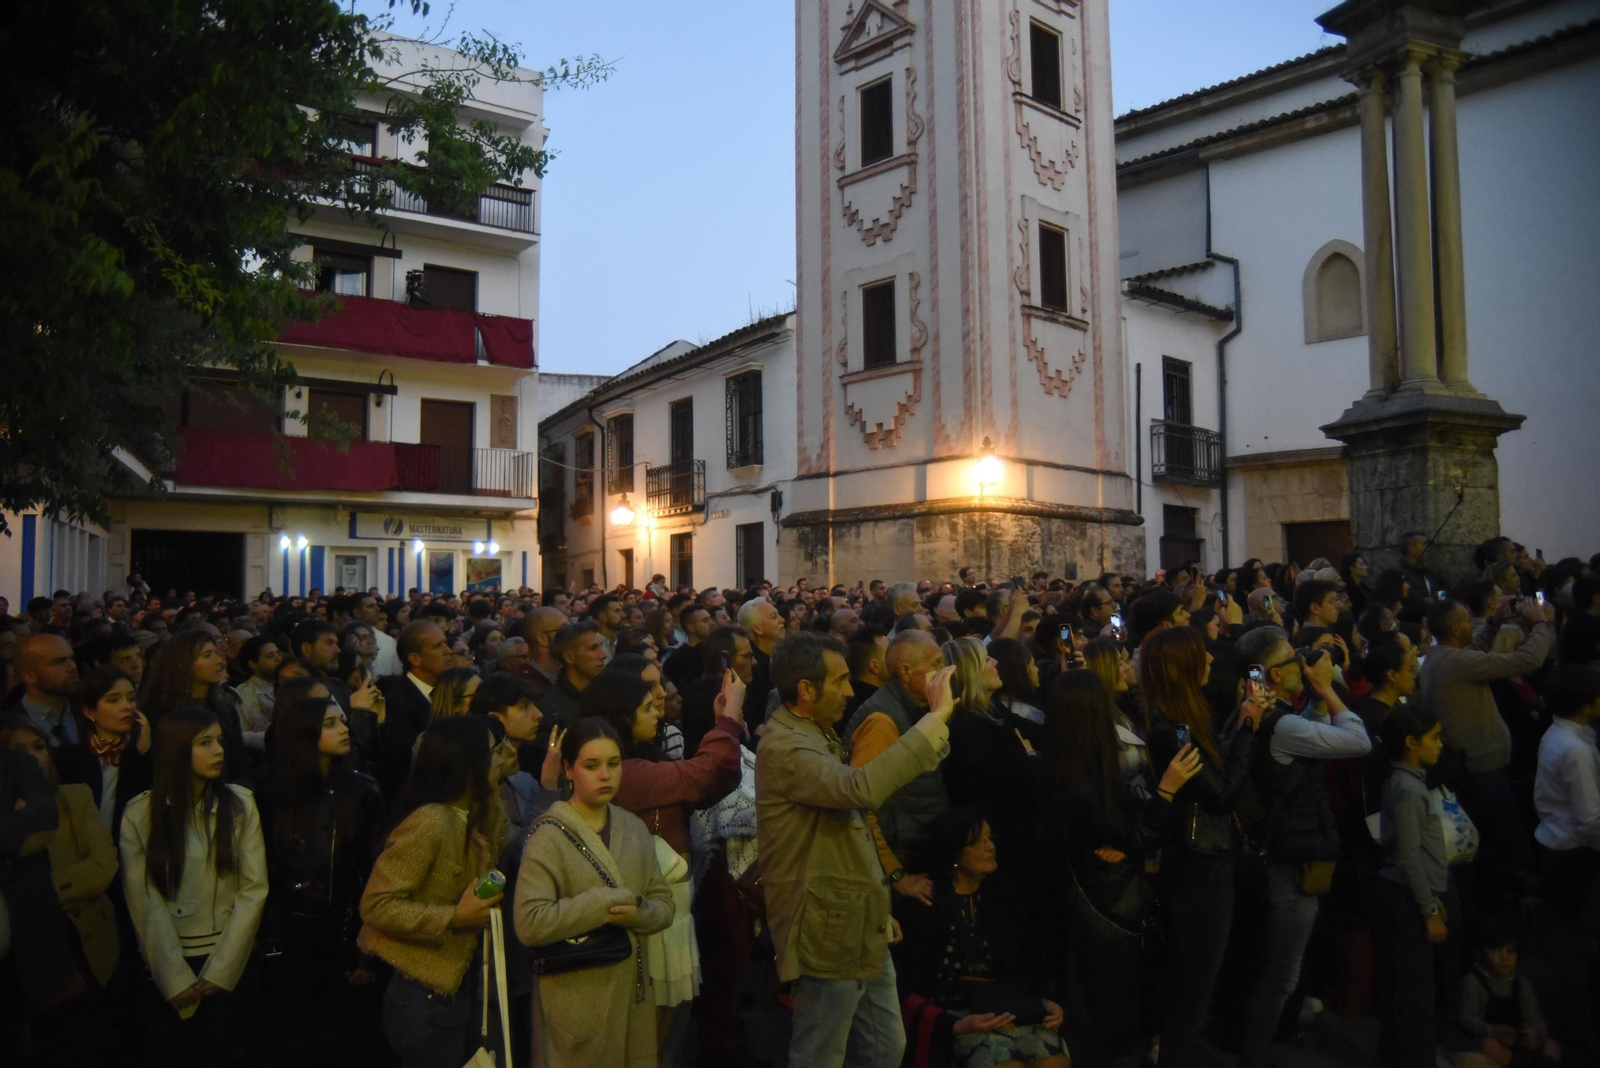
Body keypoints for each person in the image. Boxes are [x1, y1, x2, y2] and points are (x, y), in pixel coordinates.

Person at [756, 632, 959, 1067]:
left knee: (886, 1046)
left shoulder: (813, 732)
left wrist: (878, 903)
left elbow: (851, 831)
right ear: (806, 690)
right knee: (820, 1053)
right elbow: (860, 790)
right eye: (841, 681)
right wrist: (936, 718)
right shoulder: (786, 746)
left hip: (857, 917)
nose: (851, 691)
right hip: (826, 930)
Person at [1231, 625, 1373, 1067]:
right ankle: (1253, 1056)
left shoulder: (1260, 711)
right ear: (1273, 676)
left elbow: (1308, 737)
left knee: (1277, 969)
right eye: (1292, 659)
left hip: (1283, 848)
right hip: (1290, 858)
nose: (1302, 662)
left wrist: (1313, 696)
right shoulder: (1280, 724)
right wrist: (1326, 688)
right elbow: (1357, 740)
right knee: (1280, 974)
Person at [1043, 671, 1200, 1065]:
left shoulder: (1072, 763)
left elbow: (1127, 835)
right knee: (1110, 1004)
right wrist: (1168, 787)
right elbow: (1142, 835)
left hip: (1101, 895)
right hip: (1106, 904)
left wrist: (1127, 844)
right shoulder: (1084, 780)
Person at [582, 669, 742, 1046]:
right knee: (650, 1043)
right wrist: (730, 716)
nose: (658, 711)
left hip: (670, 917)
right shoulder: (624, 772)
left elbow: (716, 780)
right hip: (649, 923)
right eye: (644, 707)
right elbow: (704, 774)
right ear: (619, 716)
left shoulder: (639, 763)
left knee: (666, 1038)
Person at [514, 717, 676, 1068]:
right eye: (592, 766)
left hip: (631, 996)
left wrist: (640, 915)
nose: (606, 775)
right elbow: (529, 922)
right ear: (568, 770)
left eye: (613, 764)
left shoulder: (632, 828)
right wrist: (604, 902)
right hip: (574, 998)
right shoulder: (549, 836)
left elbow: (663, 902)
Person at [1143, 626, 1267, 1068]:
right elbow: (1221, 793)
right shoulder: (1172, 730)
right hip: (1200, 869)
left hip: (1204, 864)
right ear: (1184, 667)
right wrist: (1250, 728)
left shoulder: (1187, 718)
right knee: (1193, 986)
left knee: (1198, 983)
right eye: (1203, 657)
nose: (1212, 663)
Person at [119, 707, 268, 1068]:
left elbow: (253, 890)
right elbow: (143, 900)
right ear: (175, 750)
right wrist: (172, 978)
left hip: (225, 956)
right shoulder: (140, 812)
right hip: (168, 959)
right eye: (205, 743)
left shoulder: (240, 804)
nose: (219, 750)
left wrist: (222, 969)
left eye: (219, 741)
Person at [359, 716, 506, 1068]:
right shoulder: (430, 821)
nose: (501, 759)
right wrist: (453, 917)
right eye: (493, 752)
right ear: (467, 763)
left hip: (453, 991)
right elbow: (376, 905)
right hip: (422, 995)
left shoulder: (467, 815)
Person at [259, 696, 387, 1067]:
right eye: (330, 723)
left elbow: (374, 872)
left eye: (343, 721)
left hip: (344, 933)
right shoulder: (271, 791)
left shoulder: (362, 790)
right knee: (295, 1038)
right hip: (290, 934)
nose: (344, 729)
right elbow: (263, 870)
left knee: (346, 1039)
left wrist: (367, 949)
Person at [893, 808, 1069, 1068]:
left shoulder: (1004, 893)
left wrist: (1044, 1002)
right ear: (954, 852)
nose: (990, 847)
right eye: (978, 842)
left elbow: (1027, 965)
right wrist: (954, 1024)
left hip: (1005, 1007)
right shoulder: (925, 900)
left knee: (1055, 1062)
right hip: (953, 1015)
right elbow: (907, 984)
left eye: (990, 838)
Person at [1419, 596, 1553, 911]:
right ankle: (1511, 907)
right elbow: (1527, 660)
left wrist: (1492, 622)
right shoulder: (1456, 663)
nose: (1472, 624)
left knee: (1495, 840)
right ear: (1454, 629)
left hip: (1474, 767)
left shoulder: (1438, 657)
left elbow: (1473, 652)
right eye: (1468, 620)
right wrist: (1540, 624)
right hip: (1483, 770)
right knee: (1509, 842)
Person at [1, 716, 122, 1059]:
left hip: (89, 947)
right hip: (26, 965)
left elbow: (103, 866)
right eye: (17, 750)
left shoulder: (74, 797)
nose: (31, 757)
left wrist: (35, 893)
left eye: (38, 747)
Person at [842, 629, 951, 909]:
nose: (945, 672)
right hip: (900, 862)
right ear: (905, 671)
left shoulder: (915, 707)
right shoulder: (883, 720)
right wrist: (895, 875)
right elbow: (860, 805)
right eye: (936, 664)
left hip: (914, 849)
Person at [1373, 702, 1455, 1068]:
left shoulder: (1406, 782)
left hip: (1410, 897)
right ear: (1410, 742)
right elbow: (1409, 857)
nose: (1440, 744)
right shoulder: (1409, 789)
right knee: (1415, 995)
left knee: (1405, 990)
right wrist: (1427, 909)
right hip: (1406, 900)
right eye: (1434, 738)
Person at [1531, 664, 1600, 1062]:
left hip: (1556, 846)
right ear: (1587, 704)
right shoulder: (1573, 749)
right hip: (1573, 855)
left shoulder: (1560, 733)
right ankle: (1574, 1033)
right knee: (1576, 949)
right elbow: (1590, 820)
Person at [938, 636, 1040, 867]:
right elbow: (1021, 781)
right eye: (986, 660)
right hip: (1001, 843)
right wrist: (1031, 757)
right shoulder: (968, 728)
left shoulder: (992, 709)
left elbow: (1040, 733)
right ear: (970, 672)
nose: (995, 663)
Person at [140, 632, 249, 782]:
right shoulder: (159, 713)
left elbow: (238, 765)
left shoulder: (224, 709)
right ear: (183, 664)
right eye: (207, 655)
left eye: (217, 654)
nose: (220, 662)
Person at [56, 668, 154, 835]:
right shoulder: (69, 758)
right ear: (89, 711)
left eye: (131, 698)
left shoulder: (142, 753)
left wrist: (143, 755)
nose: (127, 706)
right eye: (113, 700)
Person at [1456, 920, 1559, 1068]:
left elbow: (1535, 1018)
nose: (1504, 957)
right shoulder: (1474, 982)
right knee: (1489, 1046)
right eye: (1496, 950)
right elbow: (1467, 1020)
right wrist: (1493, 1031)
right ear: (1481, 952)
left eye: (1510, 951)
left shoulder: (1521, 984)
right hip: (1482, 1042)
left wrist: (1535, 1033)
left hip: (1513, 1043)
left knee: (1550, 1046)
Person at [376, 620, 450, 801]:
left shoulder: (448, 689)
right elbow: (403, 762)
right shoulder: (396, 700)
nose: (448, 650)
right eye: (437, 646)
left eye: (445, 642)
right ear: (415, 658)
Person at [9, 633, 81, 745]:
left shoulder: (89, 710)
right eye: (59, 662)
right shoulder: (9, 727)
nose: (73, 666)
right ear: (29, 676)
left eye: (72, 658)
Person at [989, 636, 1045, 726]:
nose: (1037, 669)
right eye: (1033, 665)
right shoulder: (1030, 715)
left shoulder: (991, 709)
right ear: (1020, 673)